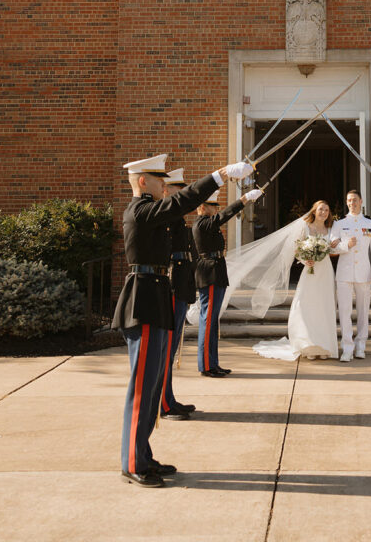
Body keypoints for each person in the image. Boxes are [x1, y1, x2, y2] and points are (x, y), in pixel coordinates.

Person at [112, 154, 252, 488]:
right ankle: (132, 462)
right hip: (143, 299)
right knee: (142, 388)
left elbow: (179, 210)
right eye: (159, 180)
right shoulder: (140, 211)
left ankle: (142, 455)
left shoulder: (153, 213)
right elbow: (183, 201)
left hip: (157, 295)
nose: (165, 186)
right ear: (143, 181)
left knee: (154, 384)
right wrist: (218, 176)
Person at [251, 200, 340, 361]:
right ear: (314, 211)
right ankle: (308, 345)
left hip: (325, 271)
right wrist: (306, 260)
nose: (324, 212)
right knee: (306, 305)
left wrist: (336, 245)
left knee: (325, 306)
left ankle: (324, 346)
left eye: (327, 210)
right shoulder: (305, 227)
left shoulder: (331, 229)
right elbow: (297, 248)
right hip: (310, 271)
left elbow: (333, 250)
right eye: (321, 209)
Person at [193, 184, 263, 377]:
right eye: (213, 206)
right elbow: (225, 215)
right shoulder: (202, 223)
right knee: (208, 321)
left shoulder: (208, 223)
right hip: (210, 272)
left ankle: (213, 362)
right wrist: (245, 199)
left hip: (217, 271)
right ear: (203, 207)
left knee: (213, 322)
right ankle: (206, 365)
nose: (216, 209)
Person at [159, 168, 198, 421]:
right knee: (166, 349)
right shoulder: (163, 217)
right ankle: (163, 403)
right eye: (177, 190)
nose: (181, 195)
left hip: (182, 283)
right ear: (166, 191)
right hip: (173, 284)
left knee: (172, 349)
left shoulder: (177, 218)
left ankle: (170, 398)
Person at [330, 189, 371, 361]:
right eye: (349, 200)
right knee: (344, 312)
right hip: (344, 273)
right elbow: (332, 247)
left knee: (363, 311)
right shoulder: (339, 223)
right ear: (347, 203)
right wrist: (346, 245)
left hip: (364, 273)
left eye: (355, 200)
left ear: (361, 201)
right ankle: (347, 347)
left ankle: (361, 346)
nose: (352, 203)